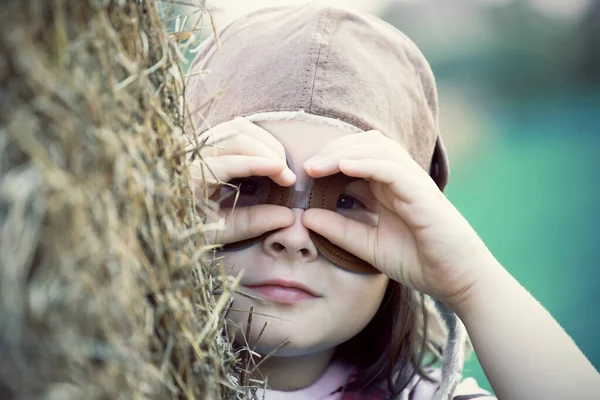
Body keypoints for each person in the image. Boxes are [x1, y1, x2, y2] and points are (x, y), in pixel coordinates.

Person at [184, 2, 600, 399]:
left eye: (345, 202)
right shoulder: (125, 361)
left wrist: (472, 286)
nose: (293, 238)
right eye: (247, 187)